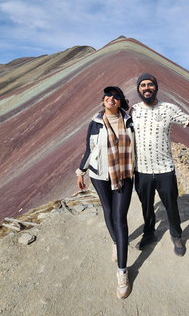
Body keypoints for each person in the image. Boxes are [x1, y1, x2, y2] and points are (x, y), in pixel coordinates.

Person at [130, 72, 189, 257]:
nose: (147, 88)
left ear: (156, 87)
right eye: (143, 85)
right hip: (142, 170)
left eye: (150, 84)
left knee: (171, 205)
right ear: (138, 89)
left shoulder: (169, 108)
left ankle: (177, 235)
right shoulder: (134, 111)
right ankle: (149, 234)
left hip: (165, 170)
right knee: (146, 207)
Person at [76, 86, 135, 299]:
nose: (111, 98)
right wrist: (80, 171)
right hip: (99, 175)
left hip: (124, 175)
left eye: (116, 97)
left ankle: (122, 272)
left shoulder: (129, 121)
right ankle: (115, 243)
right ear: (103, 100)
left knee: (120, 218)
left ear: (120, 102)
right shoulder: (95, 123)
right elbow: (88, 149)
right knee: (108, 210)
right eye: (108, 95)